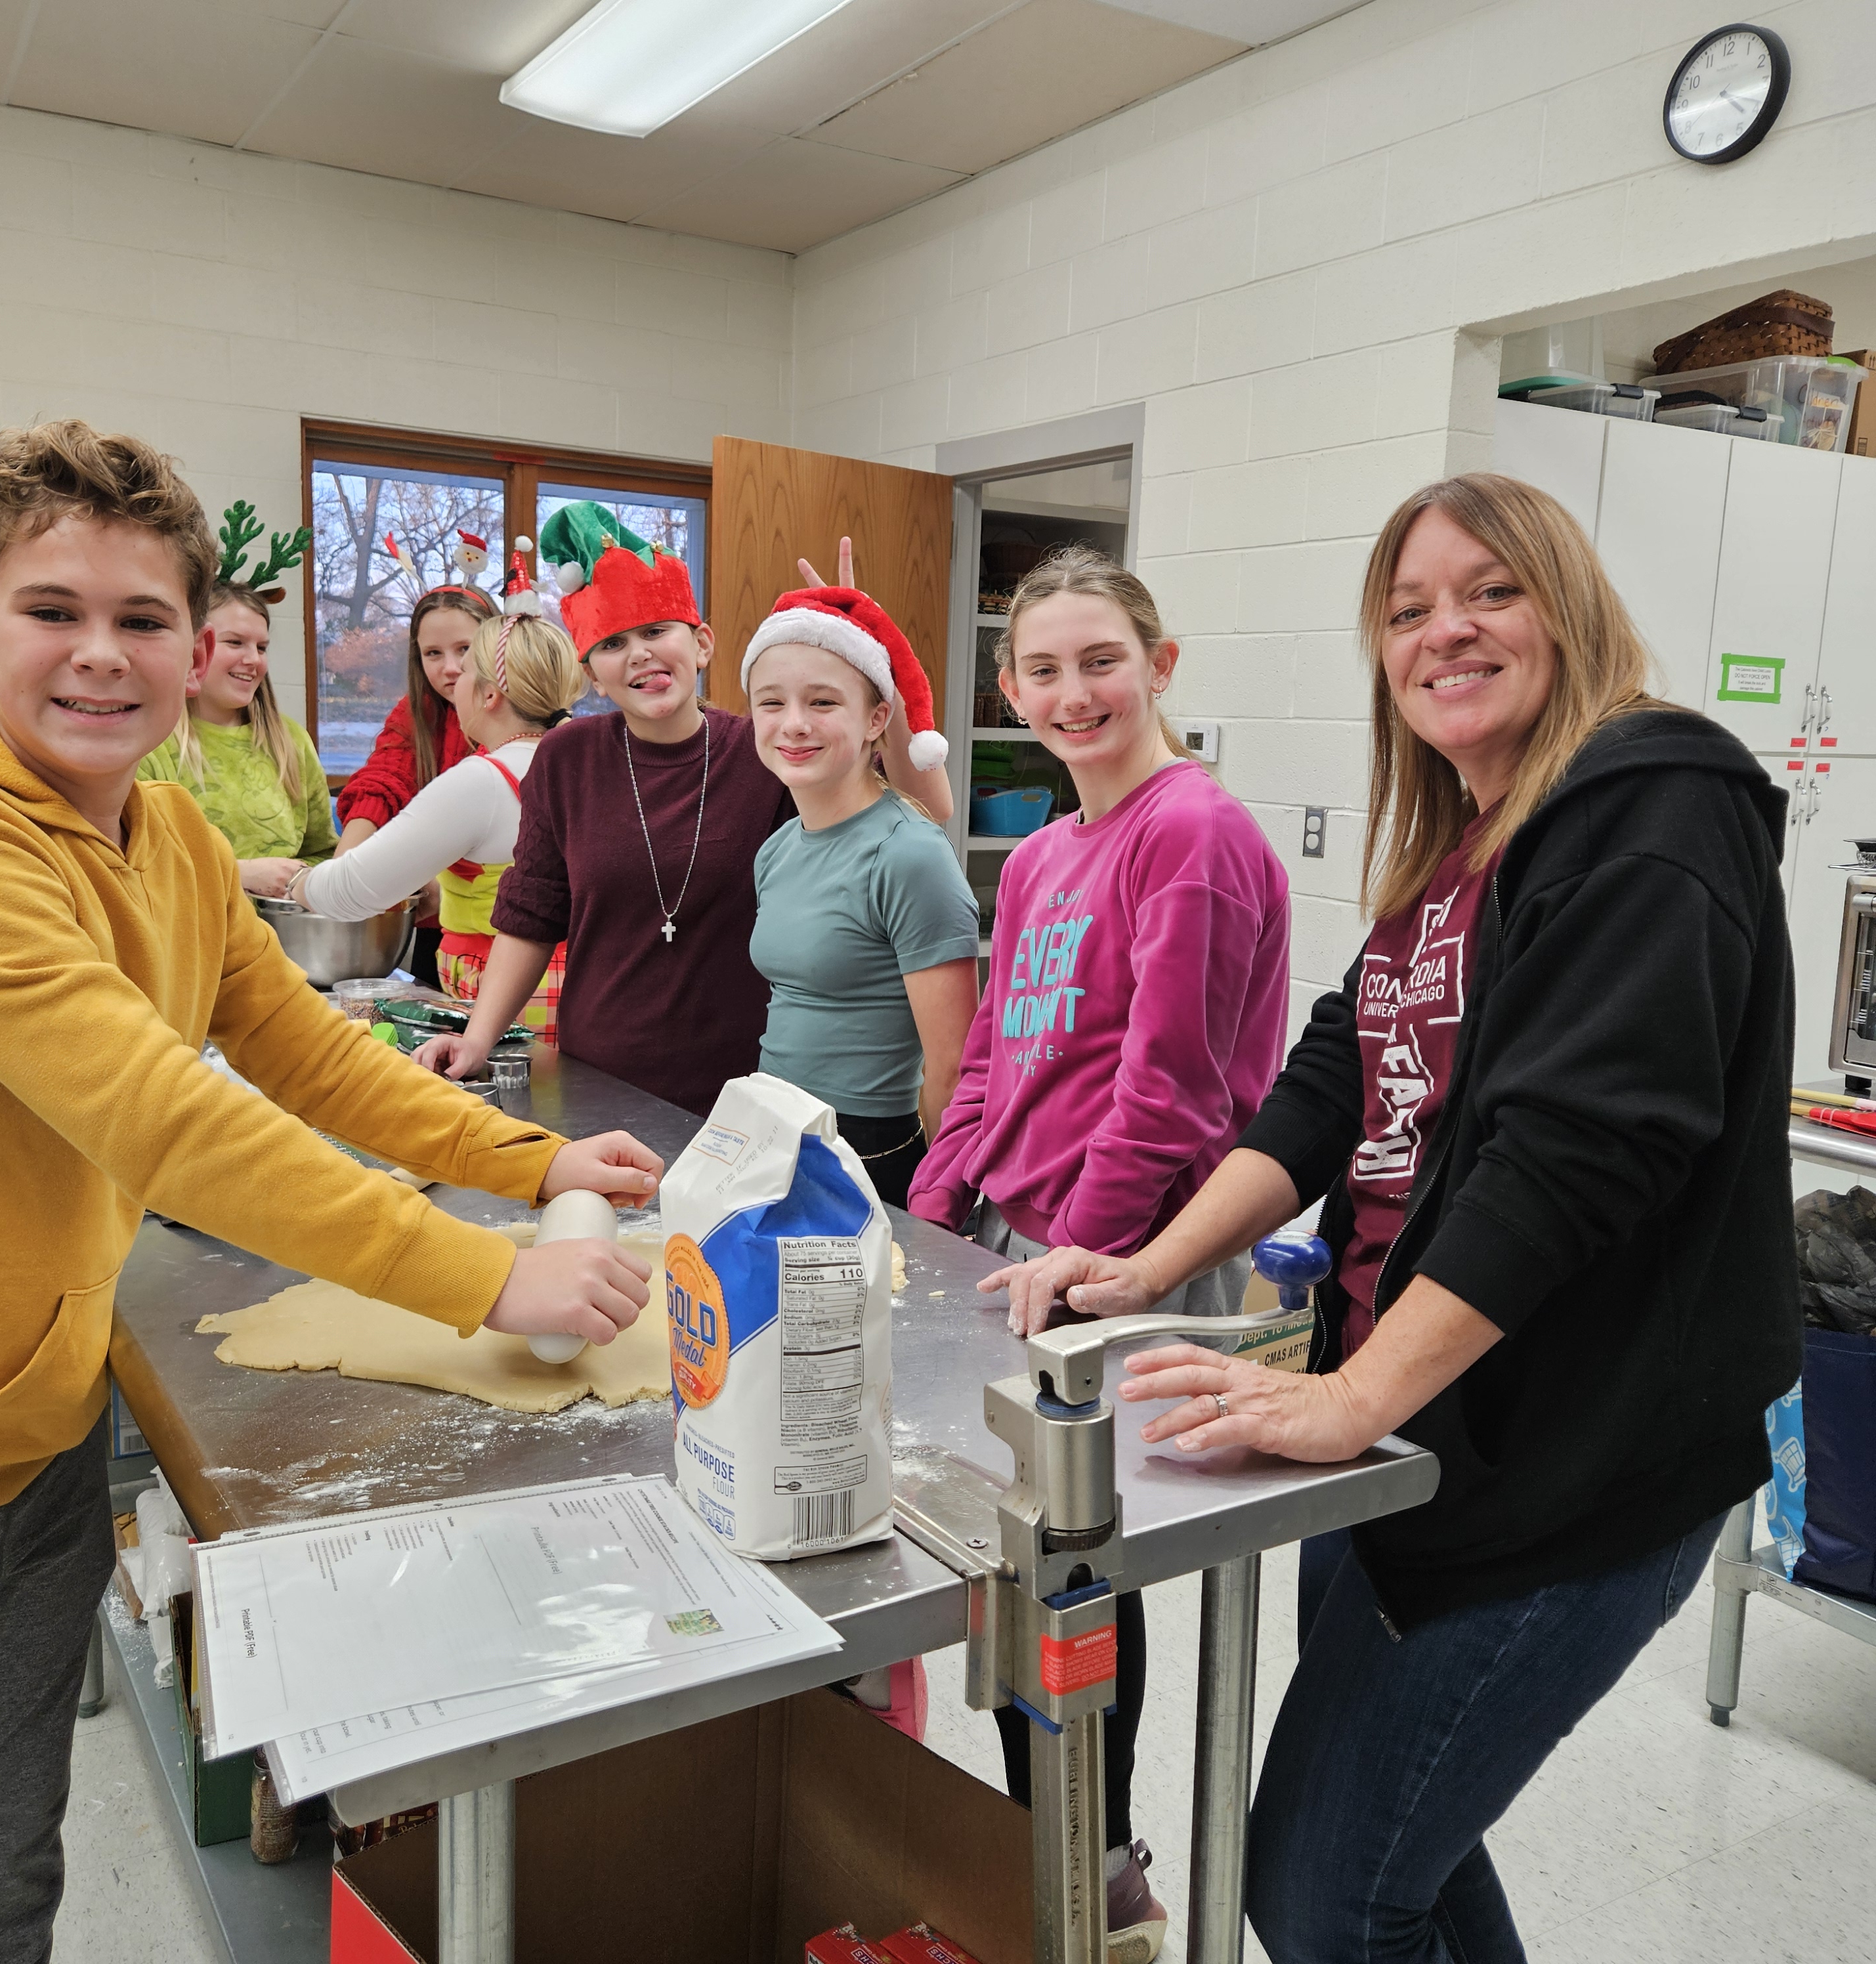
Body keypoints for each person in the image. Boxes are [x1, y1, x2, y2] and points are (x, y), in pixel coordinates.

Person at [989, 475, 1803, 1964]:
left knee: (1323, 1891)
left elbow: (1574, 1154)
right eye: (1408, 608)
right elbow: (1329, 1081)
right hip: (1411, 1437)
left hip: (1564, 1458)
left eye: (1490, 591)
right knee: (1395, 1858)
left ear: (1567, 604)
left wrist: (1350, 1395)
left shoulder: (1651, 798)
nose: (1446, 631)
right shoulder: (1460, 849)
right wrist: (1150, 1262)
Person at [0, 421, 662, 1963]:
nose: (101, 653)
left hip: (34, 1433)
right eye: (52, 610)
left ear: (194, 647)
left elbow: (305, 1055)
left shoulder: (174, 837)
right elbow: (163, 1112)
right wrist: (483, 1273)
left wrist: (526, 1161)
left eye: (141, 618)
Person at [906, 544, 1290, 1964]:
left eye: (1101, 662)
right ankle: (1042, 1854)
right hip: (1013, 1242)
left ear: (1159, 666)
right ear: (1009, 691)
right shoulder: (1040, 855)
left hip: (1120, 1258)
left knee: (1076, 1576)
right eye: (1043, 670)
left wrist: (1081, 1254)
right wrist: (934, 1209)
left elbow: (1171, 1089)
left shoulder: (1192, 833)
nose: (1073, 693)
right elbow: (994, 1059)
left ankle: (1099, 1875)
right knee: (1017, 1570)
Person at [412, 507, 952, 1114]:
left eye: (655, 631)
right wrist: (477, 1038)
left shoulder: (769, 751)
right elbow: (532, 914)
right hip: (595, 1080)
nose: (638, 655)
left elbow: (926, 810)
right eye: (613, 644)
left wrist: (872, 658)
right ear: (592, 676)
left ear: (701, 645)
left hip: (748, 1089)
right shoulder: (566, 759)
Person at [744, 584, 979, 1206]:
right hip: (771, 1130)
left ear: (878, 719)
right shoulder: (778, 848)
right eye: (772, 702)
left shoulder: (910, 856)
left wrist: (944, 1200)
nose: (795, 723)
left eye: (823, 701)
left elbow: (954, 1067)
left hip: (868, 1152)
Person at [270, 611, 584, 1044]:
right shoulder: (582, 763)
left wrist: (296, 883)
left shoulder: (482, 781)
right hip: (581, 986)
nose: (454, 678)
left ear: (490, 694)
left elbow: (350, 892)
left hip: (510, 993)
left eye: (466, 668)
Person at [332, 585, 498, 982]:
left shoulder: (522, 717)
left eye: (465, 649)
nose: (450, 668)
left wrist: (445, 880)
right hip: (440, 934)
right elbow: (383, 780)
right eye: (433, 654)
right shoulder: (417, 712)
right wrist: (343, 867)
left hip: (510, 931)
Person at [135, 579, 333, 893]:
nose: (253, 660)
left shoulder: (292, 742)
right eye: (235, 642)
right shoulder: (149, 742)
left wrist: (298, 883)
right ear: (196, 650)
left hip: (277, 924)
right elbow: (136, 865)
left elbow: (323, 853)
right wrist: (240, 874)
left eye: (262, 647)